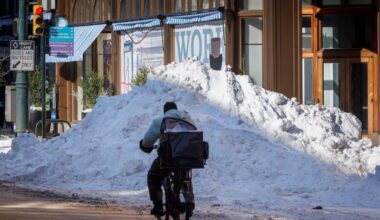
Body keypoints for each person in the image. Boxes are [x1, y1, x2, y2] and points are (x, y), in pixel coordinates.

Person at [139, 101, 195, 216]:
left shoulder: (161, 121)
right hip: (187, 158)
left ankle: (158, 207)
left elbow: (148, 142)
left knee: (153, 176)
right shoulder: (187, 118)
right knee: (186, 177)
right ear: (176, 110)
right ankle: (189, 201)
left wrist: (144, 145)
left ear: (165, 112)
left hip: (168, 159)